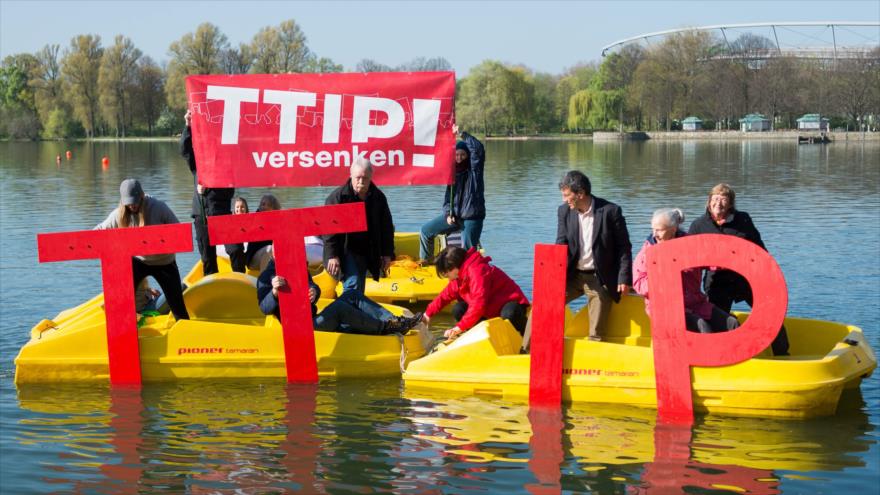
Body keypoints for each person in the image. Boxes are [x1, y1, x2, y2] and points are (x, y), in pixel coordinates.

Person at [688, 183, 790, 355]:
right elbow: (689, 258)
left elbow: (760, 249)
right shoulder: (698, 225)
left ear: (731, 204)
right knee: (716, 321)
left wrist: (768, 275)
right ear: (708, 201)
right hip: (717, 281)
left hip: (746, 279)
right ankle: (721, 356)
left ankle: (783, 353)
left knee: (771, 314)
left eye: (723, 199)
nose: (718, 203)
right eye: (715, 198)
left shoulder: (743, 219)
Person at [95, 179, 189, 321]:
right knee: (121, 296)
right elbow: (99, 231)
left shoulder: (159, 207)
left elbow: (179, 231)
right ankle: (123, 327)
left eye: (135, 201)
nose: (132, 205)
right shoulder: (119, 214)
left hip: (164, 262)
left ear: (142, 196)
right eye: (128, 203)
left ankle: (185, 333)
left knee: (177, 305)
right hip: (139, 262)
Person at [632, 208, 739, 333]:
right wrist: (664, 279)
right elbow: (638, 283)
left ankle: (734, 352)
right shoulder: (647, 253)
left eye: (659, 230)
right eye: (653, 229)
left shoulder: (691, 245)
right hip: (666, 308)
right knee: (703, 327)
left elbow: (711, 260)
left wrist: (730, 261)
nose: (654, 234)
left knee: (732, 324)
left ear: (673, 229)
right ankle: (704, 352)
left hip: (695, 303)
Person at [556, 170, 632, 341]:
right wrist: (552, 279)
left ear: (580, 193)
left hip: (600, 277)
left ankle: (593, 355)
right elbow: (560, 244)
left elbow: (624, 247)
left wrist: (624, 278)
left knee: (597, 328)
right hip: (573, 275)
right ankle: (526, 350)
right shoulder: (564, 212)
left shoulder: (611, 211)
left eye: (567, 195)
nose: (564, 200)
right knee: (545, 302)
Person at [257, 258, 422, 335]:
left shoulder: (298, 267)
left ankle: (394, 321)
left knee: (351, 294)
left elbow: (312, 286)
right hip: (301, 330)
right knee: (338, 308)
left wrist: (314, 292)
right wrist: (274, 293)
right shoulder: (266, 277)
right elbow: (264, 308)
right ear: (273, 253)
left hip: (313, 318)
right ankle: (383, 327)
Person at [181, 110, 244, 275]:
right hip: (201, 215)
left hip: (221, 213)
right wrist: (188, 126)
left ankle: (241, 281)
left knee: (236, 250)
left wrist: (210, 187)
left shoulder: (228, 164)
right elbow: (185, 150)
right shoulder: (198, 163)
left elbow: (231, 188)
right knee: (208, 258)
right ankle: (212, 285)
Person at [422, 246, 530, 342]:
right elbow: (446, 295)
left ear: (454, 268)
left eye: (445, 273)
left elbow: (479, 303)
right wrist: (428, 314)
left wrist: (459, 327)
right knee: (458, 309)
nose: (446, 276)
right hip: (489, 308)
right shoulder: (459, 276)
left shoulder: (477, 271)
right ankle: (484, 339)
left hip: (508, 303)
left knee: (510, 314)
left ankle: (523, 339)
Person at [323, 158, 395, 294]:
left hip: (368, 249)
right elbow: (328, 230)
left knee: (359, 288)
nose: (361, 182)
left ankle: (353, 313)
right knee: (353, 285)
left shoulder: (378, 197)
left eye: (365, 178)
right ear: (350, 176)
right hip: (344, 249)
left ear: (371, 177)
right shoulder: (337, 198)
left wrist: (387, 253)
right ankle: (348, 312)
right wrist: (332, 255)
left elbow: (387, 227)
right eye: (358, 178)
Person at [419, 124, 485, 261]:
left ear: (468, 156)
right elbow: (447, 200)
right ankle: (426, 263)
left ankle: (469, 274)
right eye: (457, 155)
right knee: (425, 231)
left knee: (468, 251)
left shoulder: (475, 172)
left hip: (472, 218)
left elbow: (478, 149)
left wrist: (462, 134)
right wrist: (448, 214)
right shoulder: (452, 173)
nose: (459, 158)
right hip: (455, 217)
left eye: (463, 155)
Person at [245, 194, 281, 272]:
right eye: (263, 204)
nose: (264, 207)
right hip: (253, 260)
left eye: (268, 205)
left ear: (274, 208)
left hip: (271, 258)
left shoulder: (277, 222)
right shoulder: (254, 219)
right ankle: (263, 281)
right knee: (269, 249)